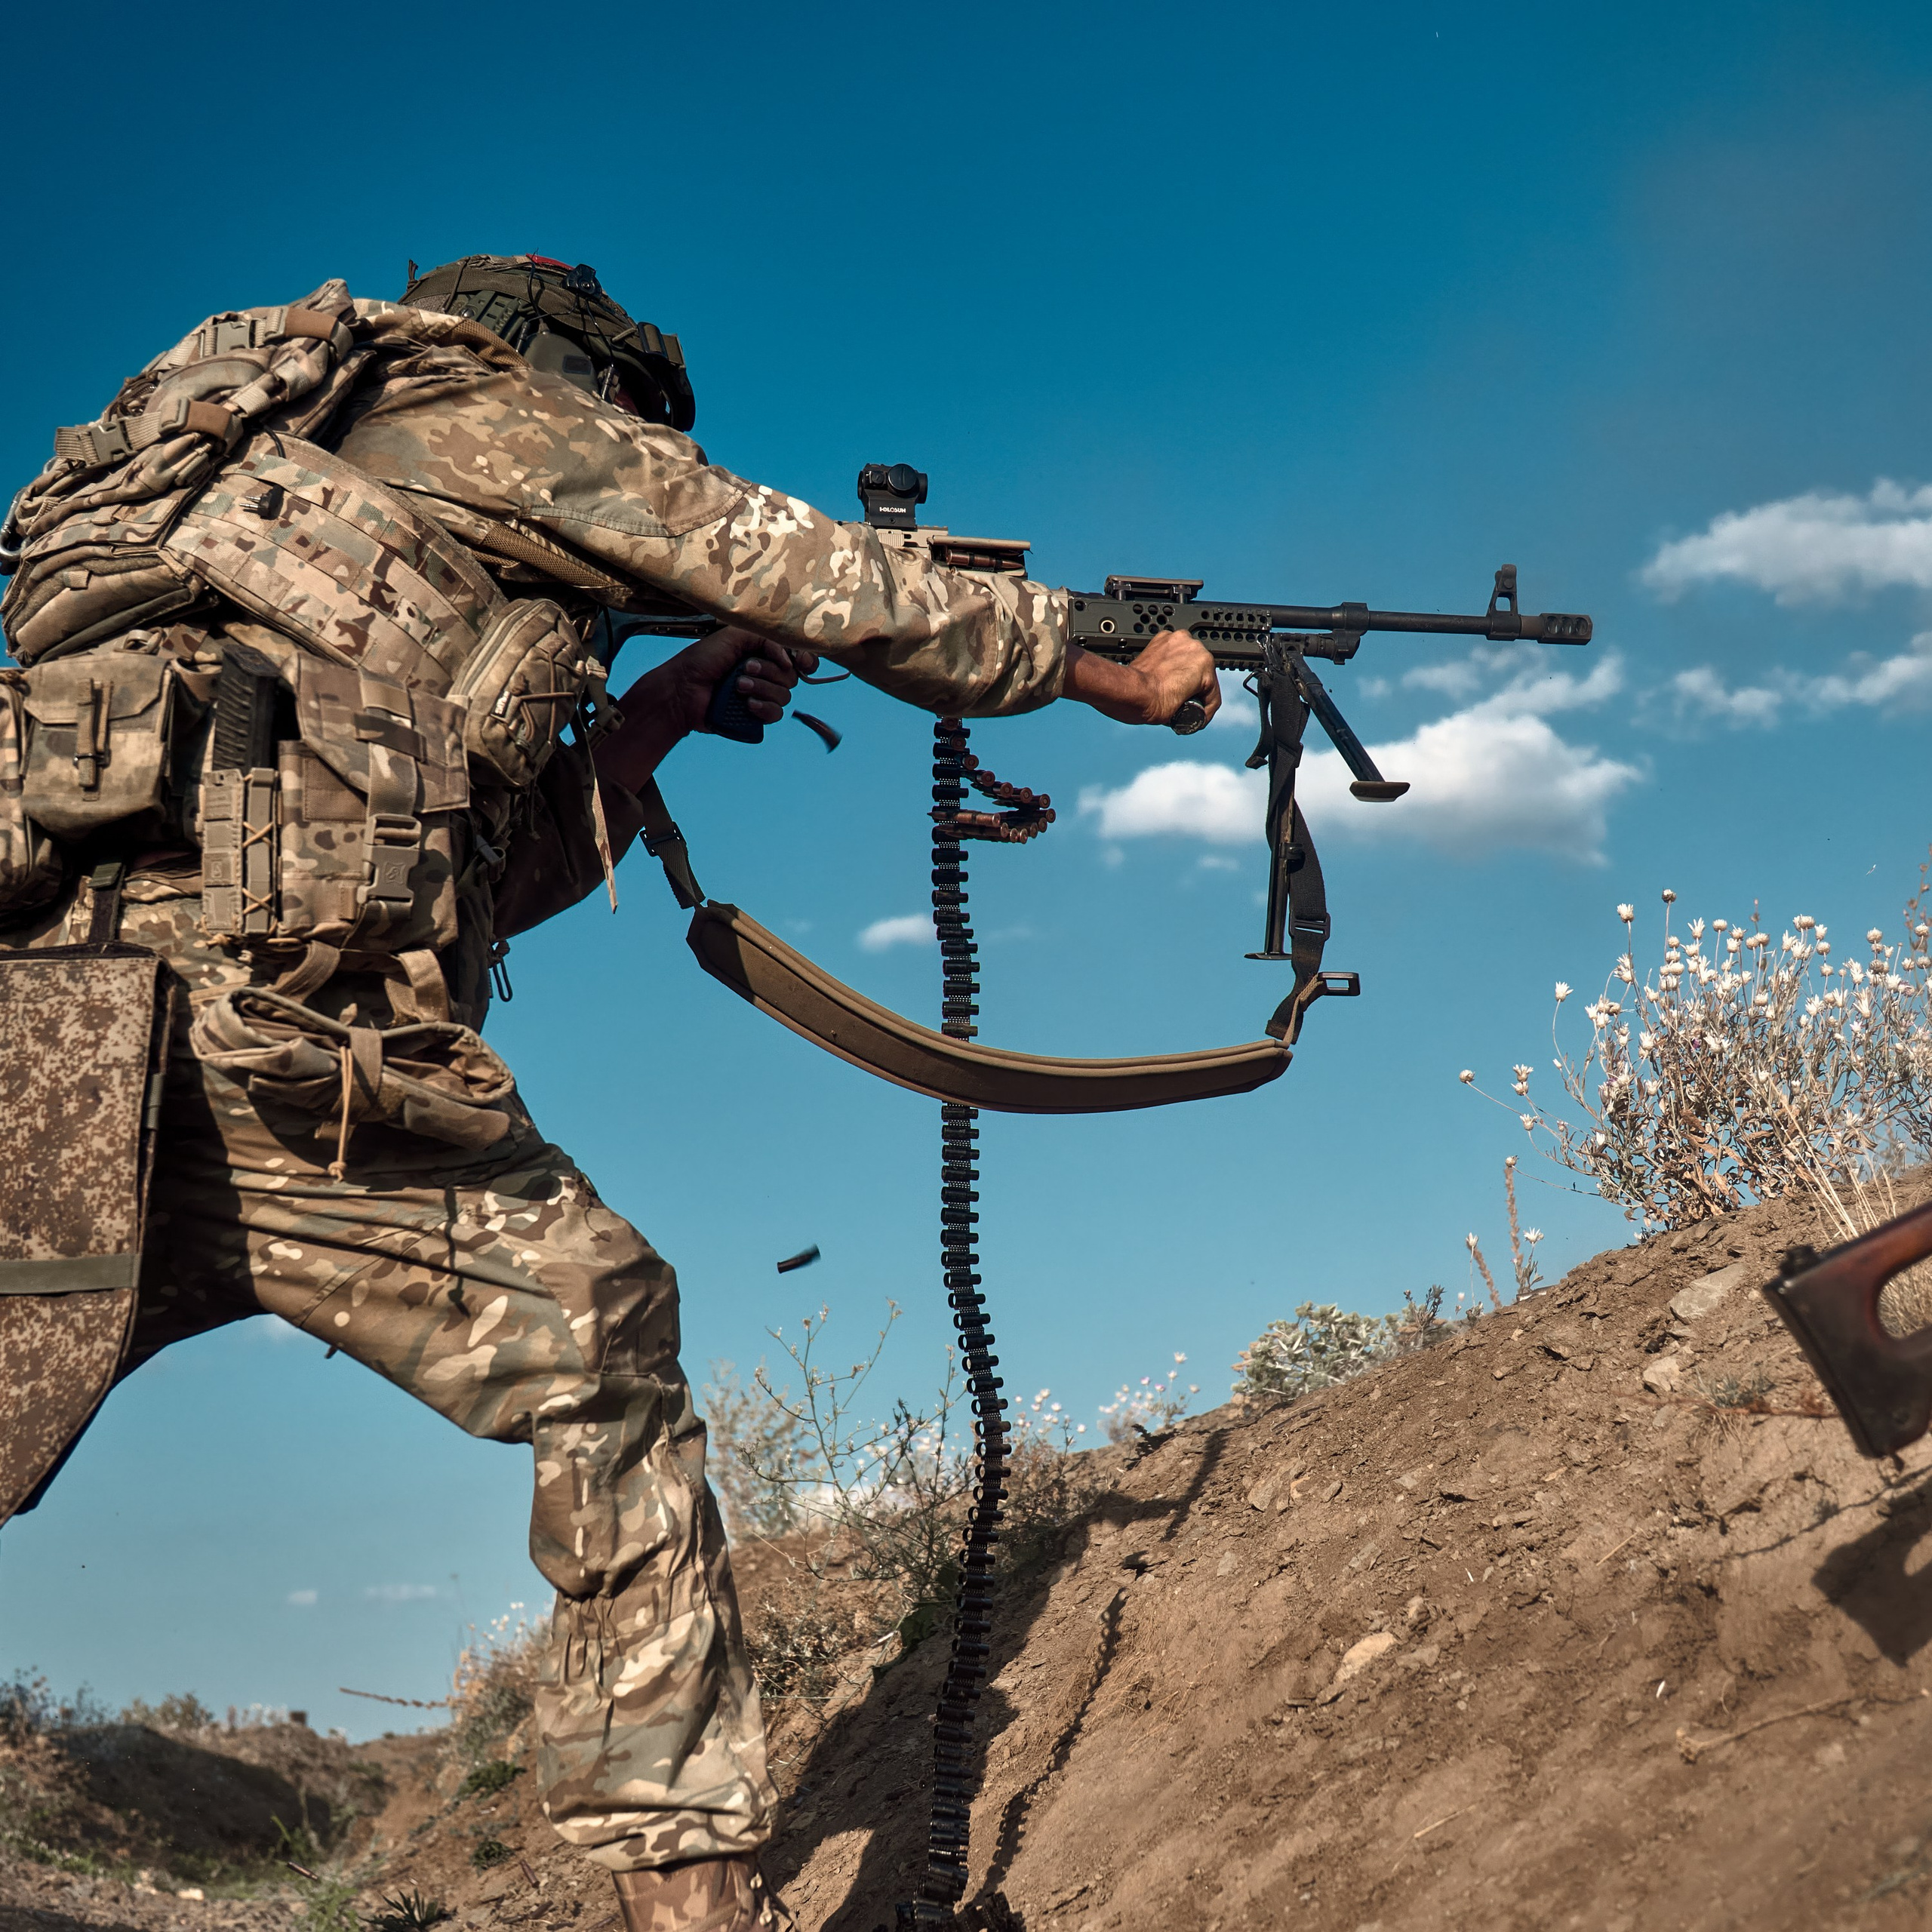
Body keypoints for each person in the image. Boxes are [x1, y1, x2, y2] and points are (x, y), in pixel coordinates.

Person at [0, 256, 1217, 1932]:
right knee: (598, 1335)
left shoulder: (213, 511)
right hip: (280, 1059)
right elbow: (806, 568)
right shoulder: (468, 402)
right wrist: (1093, 666)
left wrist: (638, 728)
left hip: (52, 1045)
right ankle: (689, 1894)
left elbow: (433, 888)